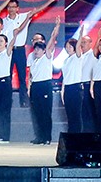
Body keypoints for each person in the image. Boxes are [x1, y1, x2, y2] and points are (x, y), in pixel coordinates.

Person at [28, 17, 62, 145]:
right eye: (35, 49)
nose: (36, 51)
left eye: (38, 49)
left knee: (45, 112)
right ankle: (39, 137)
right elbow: (30, 76)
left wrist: (57, 26)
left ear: (44, 50)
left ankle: (47, 137)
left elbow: (52, 38)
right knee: (37, 113)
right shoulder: (33, 60)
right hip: (35, 86)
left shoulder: (47, 57)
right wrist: (29, 88)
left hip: (45, 85)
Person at [60, 24, 86, 133]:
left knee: (76, 114)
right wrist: (62, 91)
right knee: (69, 114)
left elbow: (79, 46)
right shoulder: (66, 60)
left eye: (70, 47)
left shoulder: (78, 57)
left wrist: (80, 35)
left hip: (76, 87)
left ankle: (77, 136)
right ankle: (71, 135)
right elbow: (65, 77)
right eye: (66, 47)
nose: (67, 49)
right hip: (68, 88)